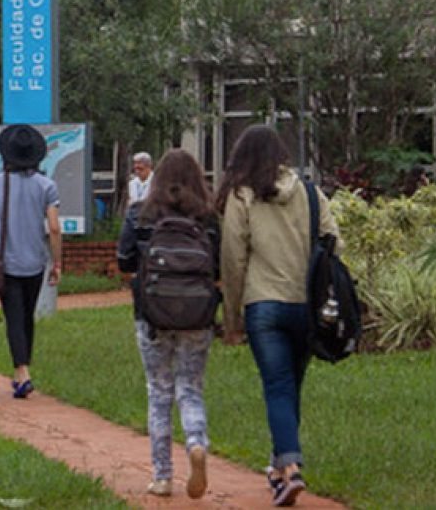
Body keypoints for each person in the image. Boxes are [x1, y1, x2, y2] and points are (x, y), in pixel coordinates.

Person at [218, 126, 340, 508]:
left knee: (277, 387)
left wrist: (232, 319)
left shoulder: (242, 196)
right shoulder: (309, 192)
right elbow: (334, 240)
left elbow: (233, 259)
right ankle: (278, 468)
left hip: (263, 304)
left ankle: (290, 468)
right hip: (305, 305)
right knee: (291, 387)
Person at [117, 148, 218, 500]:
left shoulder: (139, 214)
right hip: (197, 315)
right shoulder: (207, 218)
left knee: (158, 392)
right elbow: (217, 268)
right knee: (190, 388)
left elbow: (124, 260)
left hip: (151, 316)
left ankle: (162, 476)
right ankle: (196, 443)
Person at [0, 125, 62, 400]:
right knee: (27, 316)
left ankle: (22, 371)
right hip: (35, 260)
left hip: (5, 261)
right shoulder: (47, 185)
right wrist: (57, 263)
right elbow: (54, 227)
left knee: (13, 316)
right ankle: (22, 371)